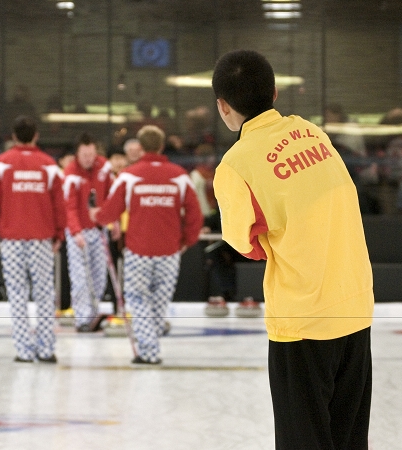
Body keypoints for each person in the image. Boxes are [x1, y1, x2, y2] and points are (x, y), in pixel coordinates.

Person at [211, 50, 373, 449]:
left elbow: (246, 245)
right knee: (349, 439)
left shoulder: (234, 166)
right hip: (354, 306)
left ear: (223, 107)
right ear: (276, 92)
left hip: (302, 322)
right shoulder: (312, 132)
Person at [90, 125, 202, 364]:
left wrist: (97, 217)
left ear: (140, 148)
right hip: (169, 251)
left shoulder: (129, 176)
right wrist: (186, 241)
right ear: (162, 146)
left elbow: (110, 211)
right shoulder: (179, 176)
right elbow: (195, 214)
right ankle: (151, 346)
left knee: (138, 299)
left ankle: (148, 350)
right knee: (159, 300)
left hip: (138, 251)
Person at [0, 115, 65, 363]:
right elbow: (60, 204)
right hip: (41, 238)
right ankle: (46, 349)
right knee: (44, 293)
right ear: (36, 135)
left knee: (17, 293)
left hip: (11, 239)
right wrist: (59, 234)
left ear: (13, 137)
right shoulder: (49, 165)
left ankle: (24, 351)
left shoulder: (1, 164)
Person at [62, 133, 114, 332]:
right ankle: (82, 317)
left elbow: (111, 196)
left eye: (91, 154)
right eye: (84, 155)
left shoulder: (104, 167)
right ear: (77, 154)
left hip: (99, 230)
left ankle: (93, 312)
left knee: (99, 276)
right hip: (78, 233)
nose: (88, 159)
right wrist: (76, 232)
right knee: (80, 277)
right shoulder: (70, 174)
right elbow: (70, 207)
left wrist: (113, 221)